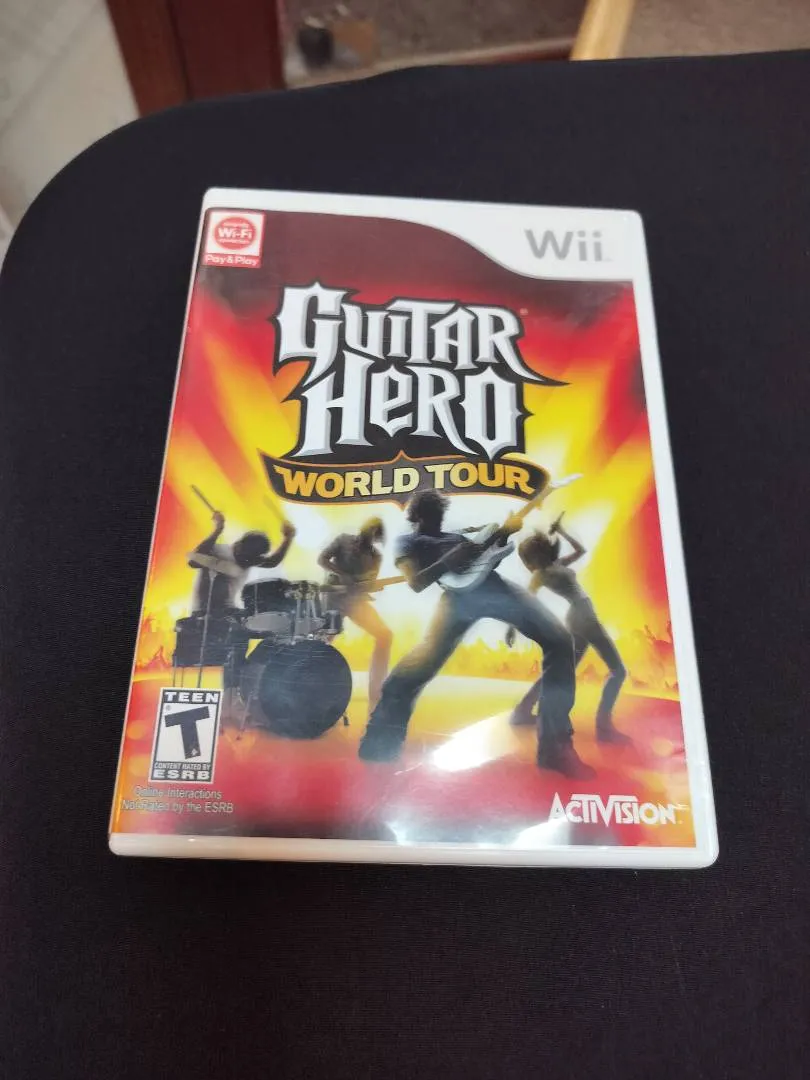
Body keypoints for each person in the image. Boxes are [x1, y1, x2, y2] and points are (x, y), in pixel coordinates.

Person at [358, 491, 593, 779]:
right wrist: (449, 560)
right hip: (456, 601)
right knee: (415, 669)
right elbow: (416, 582)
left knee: (559, 641)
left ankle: (555, 749)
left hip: (493, 588)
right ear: (417, 517)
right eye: (432, 518)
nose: (438, 523)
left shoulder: (458, 536)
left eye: (440, 517)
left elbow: (486, 559)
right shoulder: (408, 542)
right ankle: (379, 744)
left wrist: (504, 535)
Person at [508, 515, 628, 744]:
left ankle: (522, 710)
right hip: (583, 617)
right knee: (618, 671)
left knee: (562, 670)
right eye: (532, 556)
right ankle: (603, 727)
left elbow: (581, 550)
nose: (535, 558)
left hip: (580, 616)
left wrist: (561, 530)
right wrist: (513, 628)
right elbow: (525, 601)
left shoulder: (557, 565)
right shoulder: (540, 575)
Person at [318, 517, 393, 716]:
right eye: (369, 527)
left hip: (355, 601)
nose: (370, 532)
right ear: (363, 527)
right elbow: (322, 559)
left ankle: (376, 691)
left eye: (375, 531)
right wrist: (341, 574)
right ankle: (313, 685)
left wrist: (371, 587)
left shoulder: (376, 557)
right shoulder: (343, 540)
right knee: (324, 641)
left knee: (385, 635)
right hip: (333, 597)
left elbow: (369, 582)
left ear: (377, 536)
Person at [190, 511, 295, 614]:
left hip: (227, 612)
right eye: (246, 557)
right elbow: (193, 561)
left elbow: (272, 562)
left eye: (253, 559)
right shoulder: (218, 551)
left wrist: (288, 538)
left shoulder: (250, 559)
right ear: (238, 545)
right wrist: (218, 530)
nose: (248, 562)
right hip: (203, 612)